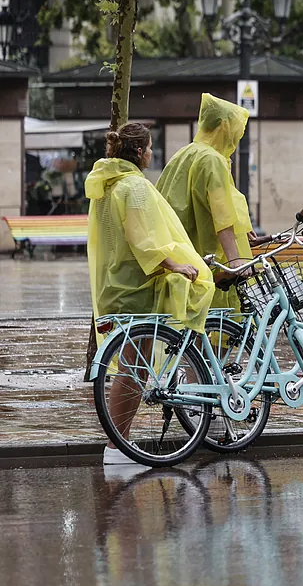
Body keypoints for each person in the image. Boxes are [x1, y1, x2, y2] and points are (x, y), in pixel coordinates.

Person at [86, 123, 215, 465]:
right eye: (150, 148)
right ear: (140, 151)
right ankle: (117, 447)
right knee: (132, 367)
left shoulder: (108, 184)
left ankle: (119, 444)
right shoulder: (134, 187)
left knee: (133, 366)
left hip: (118, 281)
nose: (152, 153)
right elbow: (142, 238)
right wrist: (174, 264)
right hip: (137, 285)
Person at [156, 94, 253, 310]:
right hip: (205, 258)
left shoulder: (183, 154)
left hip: (180, 253)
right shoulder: (212, 160)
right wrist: (234, 259)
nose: (236, 138)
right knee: (216, 322)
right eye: (235, 131)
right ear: (223, 127)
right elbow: (222, 214)